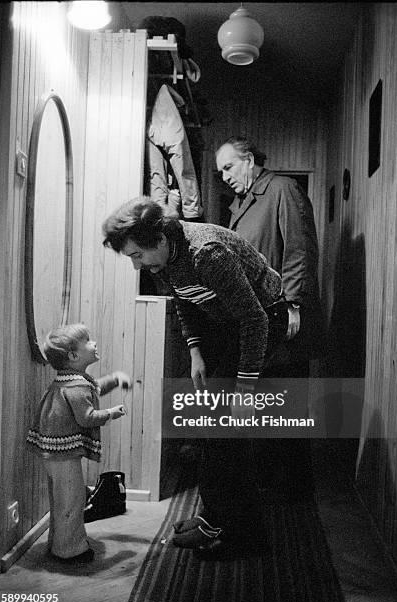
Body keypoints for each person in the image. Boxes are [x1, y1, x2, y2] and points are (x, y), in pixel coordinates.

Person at [102, 197, 285, 556]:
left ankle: (243, 536)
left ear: (158, 240)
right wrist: (195, 350)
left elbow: (255, 320)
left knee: (228, 432)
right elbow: (187, 302)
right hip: (228, 324)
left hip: (263, 320)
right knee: (211, 424)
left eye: (137, 254)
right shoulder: (165, 261)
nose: (137, 265)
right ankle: (214, 515)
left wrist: (245, 387)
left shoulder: (206, 254)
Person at [216, 136, 325, 498]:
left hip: (282, 314)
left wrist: (293, 304)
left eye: (229, 166)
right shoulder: (241, 203)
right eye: (220, 172)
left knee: (286, 398)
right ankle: (271, 482)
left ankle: (293, 488)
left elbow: (299, 249)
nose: (225, 176)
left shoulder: (282, 189)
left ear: (249, 160)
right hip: (258, 318)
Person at [26, 323, 131, 564]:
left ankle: (59, 543)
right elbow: (87, 417)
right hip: (63, 456)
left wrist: (114, 379)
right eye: (88, 341)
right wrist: (111, 413)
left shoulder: (70, 382)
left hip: (54, 453)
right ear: (74, 356)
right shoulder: (76, 388)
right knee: (72, 501)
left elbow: (92, 391)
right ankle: (70, 550)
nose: (94, 343)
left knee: (62, 498)